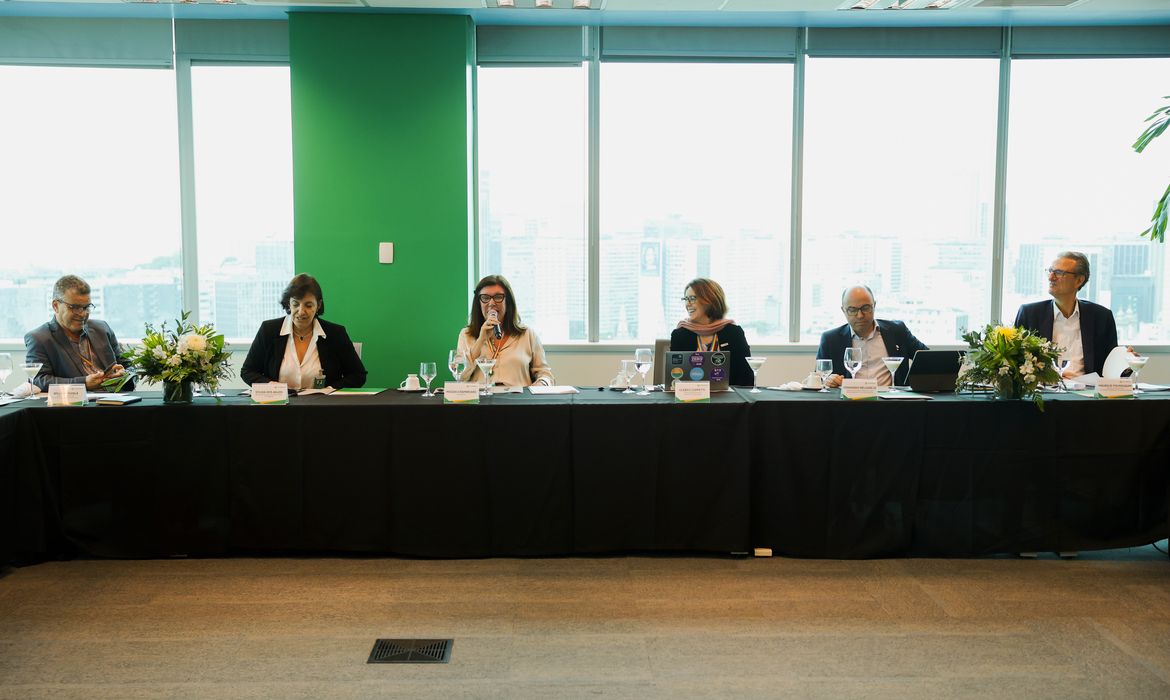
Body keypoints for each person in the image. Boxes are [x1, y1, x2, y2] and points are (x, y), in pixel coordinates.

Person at [241, 273, 367, 390]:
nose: (301, 311)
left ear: (318, 305)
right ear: (288, 304)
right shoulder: (269, 330)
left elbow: (358, 375)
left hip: (322, 407)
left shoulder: (335, 333)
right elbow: (248, 371)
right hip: (279, 407)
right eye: (296, 304)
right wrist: (271, 387)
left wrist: (330, 390)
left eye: (308, 305)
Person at [1013, 251, 1118, 378]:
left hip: (1087, 393)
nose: (1051, 277)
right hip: (1044, 393)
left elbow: (1112, 367)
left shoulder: (1101, 317)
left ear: (1079, 280)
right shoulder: (1030, 314)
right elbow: (1015, 361)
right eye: (1050, 271)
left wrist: (1124, 360)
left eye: (1059, 273)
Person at [24, 275, 132, 391]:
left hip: (118, 402)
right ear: (55, 306)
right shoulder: (39, 338)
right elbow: (38, 380)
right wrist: (83, 383)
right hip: (77, 406)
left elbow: (130, 367)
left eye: (86, 307)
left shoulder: (102, 328)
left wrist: (124, 374)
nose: (82, 314)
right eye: (74, 307)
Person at [817, 285, 927, 389]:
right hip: (848, 404)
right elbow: (819, 378)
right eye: (852, 310)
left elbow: (927, 358)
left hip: (891, 403)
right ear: (843, 310)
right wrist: (828, 380)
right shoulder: (831, 340)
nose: (860, 315)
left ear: (874, 305)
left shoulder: (897, 331)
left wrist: (915, 384)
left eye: (865, 308)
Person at [456, 275, 554, 387]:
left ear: (508, 302)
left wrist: (541, 384)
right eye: (485, 298)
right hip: (480, 401)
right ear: (479, 303)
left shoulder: (527, 334)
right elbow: (460, 377)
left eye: (498, 297)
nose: (491, 303)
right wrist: (481, 340)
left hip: (517, 401)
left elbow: (545, 374)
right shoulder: (466, 335)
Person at [669, 278, 754, 387]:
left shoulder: (734, 333)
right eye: (686, 299)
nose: (688, 304)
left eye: (692, 299)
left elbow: (746, 378)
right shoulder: (680, 334)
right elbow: (675, 378)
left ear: (709, 300)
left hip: (728, 400)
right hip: (691, 400)